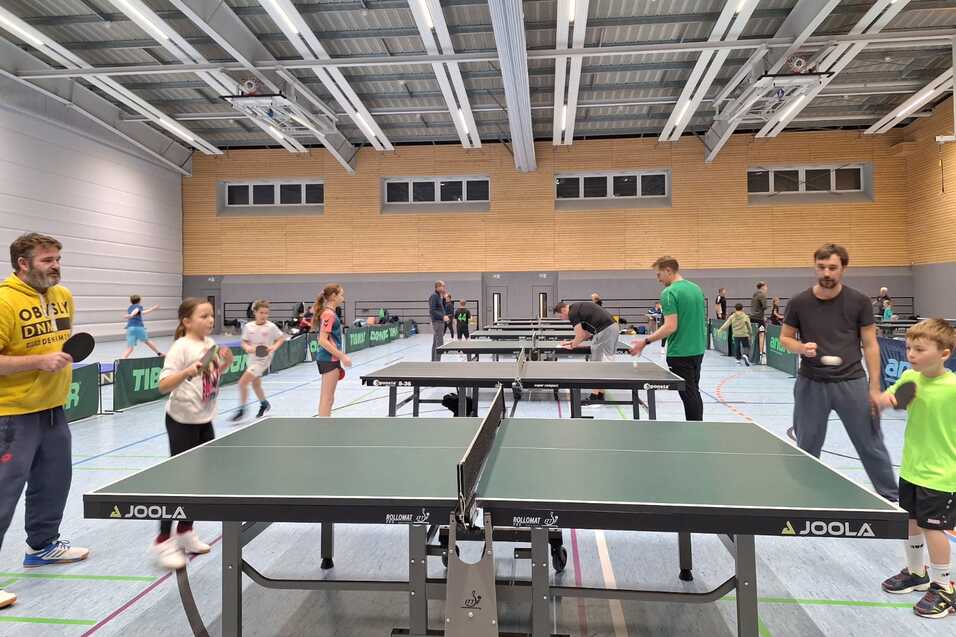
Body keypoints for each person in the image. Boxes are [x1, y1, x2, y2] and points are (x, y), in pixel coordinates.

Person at [0, 233, 90, 610]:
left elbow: (57, 345)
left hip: (53, 409)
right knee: (2, 495)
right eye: (47, 260)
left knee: (53, 483)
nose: (56, 265)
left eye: (57, 259)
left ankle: (42, 546)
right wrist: (36, 362)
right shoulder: (3, 301)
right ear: (23, 263)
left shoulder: (63, 296)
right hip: (11, 415)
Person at [779, 243, 898, 501]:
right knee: (807, 445)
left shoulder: (860, 302)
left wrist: (875, 387)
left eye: (832, 268)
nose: (827, 273)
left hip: (852, 382)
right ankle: (804, 498)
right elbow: (785, 338)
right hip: (811, 383)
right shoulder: (799, 302)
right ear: (815, 267)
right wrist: (801, 347)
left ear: (843, 268)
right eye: (821, 267)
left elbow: (870, 344)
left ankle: (892, 499)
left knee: (871, 443)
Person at [876, 319, 956, 618]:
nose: (910, 353)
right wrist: (878, 401)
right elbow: (894, 398)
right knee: (910, 521)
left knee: (933, 529)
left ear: (943, 354)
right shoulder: (912, 378)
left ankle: (944, 586)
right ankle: (916, 572)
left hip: (942, 474)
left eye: (919, 349)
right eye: (909, 347)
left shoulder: (952, 387)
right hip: (911, 468)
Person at [150, 298, 233, 569]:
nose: (210, 320)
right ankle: (163, 540)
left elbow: (209, 377)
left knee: (199, 482)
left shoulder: (208, 345)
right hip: (181, 420)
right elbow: (163, 385)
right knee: (179, 482)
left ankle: (185, 532)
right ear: (187, 321)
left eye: (211, 315)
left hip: (204, 419)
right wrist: (186, 371)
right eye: (203, 316)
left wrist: (225, 365)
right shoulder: (180, 348)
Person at [629, 257, 707, 421]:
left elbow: (671, 326)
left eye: (659, 275)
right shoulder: (696, 288)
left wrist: (645, 341)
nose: (658, 279)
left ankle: (695, 431)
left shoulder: (669, 292)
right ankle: (697, 427)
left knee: (688, 394)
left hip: (680, 352)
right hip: (698, 349)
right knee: (694, 392)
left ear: (668, 271)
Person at [554, 299, 620, 402]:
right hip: (612, 328)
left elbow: (580, 335)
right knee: (603, 363)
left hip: (605, 330)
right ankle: (600, 395)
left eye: (560, 316)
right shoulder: (578, 309)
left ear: (563, 310)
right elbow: (586, 334)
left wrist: (572, 346)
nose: (561, 318)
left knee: (596, 364)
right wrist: (572, 342)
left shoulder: (572, 313)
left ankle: (594, 398)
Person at [231, 300, 285, 422]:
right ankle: (264, 403)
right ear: (254, 312)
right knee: (256, 385)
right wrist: (248, 348)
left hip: (263, 360)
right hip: (252, 358)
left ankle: (242, 409)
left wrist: (273, 347)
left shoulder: (271, 327)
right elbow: (244, 342)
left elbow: (281, 338)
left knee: (242, 383)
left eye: (266, 313)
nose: (264, 315)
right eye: (261, 312)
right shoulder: (248, 327)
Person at [315, 284, 351, 417]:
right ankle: (323, 429)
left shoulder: (330, 313)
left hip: (331, 359)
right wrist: (343, 356)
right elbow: (322, 340)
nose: (343, 297)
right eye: (341, 294)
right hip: (328, 359)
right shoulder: (329, 314)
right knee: (327, 398)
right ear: (334, 296)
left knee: (329, 398)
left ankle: (325, 424)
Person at [429, 281, 448, 361]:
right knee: (439, 343)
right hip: (437, 322)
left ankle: (434, 361)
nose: (444, 288)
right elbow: (432, 310)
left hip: (440, 322)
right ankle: (437, 362)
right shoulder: (434, 296)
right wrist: (442, 317)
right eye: (442, 286)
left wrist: (443, 298)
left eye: (444, 286)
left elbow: (441, 308)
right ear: (437, 287)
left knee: (435, 342)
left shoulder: (438, 296)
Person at [750, 281, 768, 361]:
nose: (767, 288)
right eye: (766, 286)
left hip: (752, 317)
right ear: (763, 287)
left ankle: (751, 352)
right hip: (759, 318)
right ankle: (760, 352)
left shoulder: (754, 294)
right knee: (762, 334)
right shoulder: (762, 295)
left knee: (753, 335)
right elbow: (765, 306)